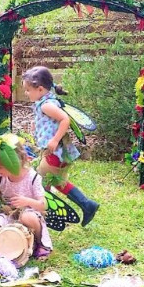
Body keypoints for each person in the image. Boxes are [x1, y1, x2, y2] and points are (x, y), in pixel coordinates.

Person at [21, 66, 99, 226]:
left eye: (28, 90)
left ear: (40, 89)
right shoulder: (46, 101)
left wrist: (55, 140)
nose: (26, 93)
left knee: (40, 182)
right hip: (60, 153)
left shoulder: (46, 105)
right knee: (55, 182)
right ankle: (85, 205)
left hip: (55, 153)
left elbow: (65, 119)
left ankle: (42, 213)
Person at [0, 133, 52, 262]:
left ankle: (39, 243)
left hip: (29, 214)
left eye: (0, 167)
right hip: (9, 214)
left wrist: (27, 201)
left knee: (27, 216)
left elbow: (43, 204)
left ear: (15, 162)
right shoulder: (0, 177)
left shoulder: (33, 177)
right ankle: (3, 245)